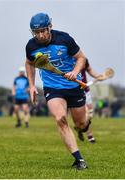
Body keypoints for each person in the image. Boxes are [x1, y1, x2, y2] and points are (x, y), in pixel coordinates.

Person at [25, 12, 91, 170]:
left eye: (43, 30)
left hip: (73, 86)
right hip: (52, 88)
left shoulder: (64, 39)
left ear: (50, 27)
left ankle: (84, 126)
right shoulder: (31, 46)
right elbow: (29, 63)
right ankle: (79, 160)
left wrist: (75, 72)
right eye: (36, 32)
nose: (40, 35)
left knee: (81, 124)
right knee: (60, 118)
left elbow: (81, 58)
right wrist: (32, 85)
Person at [75, 58, 104, 143]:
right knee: (86, 115)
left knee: (90, 115)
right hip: (77, 92)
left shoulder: (84, 60)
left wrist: (99, 77)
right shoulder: (71, 61)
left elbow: (91, 71)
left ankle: (80, 129)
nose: (83, 66)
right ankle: (90, 136)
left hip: (86, 92)